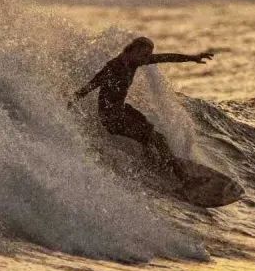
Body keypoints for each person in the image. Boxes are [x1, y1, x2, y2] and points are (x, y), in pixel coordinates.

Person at [71, 37, 212, 178]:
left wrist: (192, 58)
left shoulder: (133, 62)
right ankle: (179, 174)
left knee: (148, 128)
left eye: (148, 55)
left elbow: (165, 57)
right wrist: (71, 100)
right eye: (145, 55)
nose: (147, 59)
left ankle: (155, 166)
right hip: (111, 118)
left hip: (121, 110)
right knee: (157, 138)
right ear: (134, 50)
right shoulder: (113, 67)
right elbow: (91, 85)